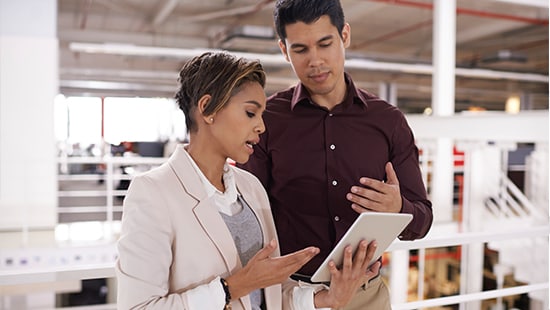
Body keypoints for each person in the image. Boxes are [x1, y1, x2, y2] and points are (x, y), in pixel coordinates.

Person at [116, 51, 382, 310]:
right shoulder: (153, 192)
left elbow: (270, 293)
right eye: (250, 113)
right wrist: (231, 288)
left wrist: (326, 299)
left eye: (262, 115)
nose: (261, 127)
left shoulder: (251, 187)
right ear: (207, 108)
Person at [237, 0, 434, 309]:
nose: (315, 60)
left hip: (365, 296)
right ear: (284, 50)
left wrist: (399, 207)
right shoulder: (266, 120)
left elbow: (422, 221)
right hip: (292, 297)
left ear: (344, 36)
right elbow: (244, 214)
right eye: (300, 49)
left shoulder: (388, 121)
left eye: (325, 44)